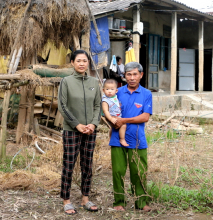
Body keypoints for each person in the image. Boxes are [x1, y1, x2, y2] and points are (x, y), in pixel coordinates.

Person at [58, 50, 101, 215]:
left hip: (90, 130)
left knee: (87, 165)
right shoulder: (66, 81)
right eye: (78, 61)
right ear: (72, 63)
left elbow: (98, 106)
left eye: (85, 61)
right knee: (69, 165)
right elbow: (63, 106)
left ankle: (85, 199)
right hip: (72, 130)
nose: (82, 63)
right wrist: (76, 124)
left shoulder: (94, 82)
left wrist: (93, 124)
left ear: (88, 63)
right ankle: (66, 200)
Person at [110, 61, 152, 212]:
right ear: (124, 76)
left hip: (137, 139)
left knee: (139, 172)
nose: (132, 77)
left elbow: (145, 117)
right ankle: (119, 202)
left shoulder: (146, 94)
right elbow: (107, 110)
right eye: (129, 74)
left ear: (141, 75)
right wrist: (112, 121)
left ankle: (141, 203)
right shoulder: (117, 92)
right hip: (117, 138)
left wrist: (124, 120)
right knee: (118, 171)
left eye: (135, 74)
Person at [102, 79, 128, 147]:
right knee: (123, 125)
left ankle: (110, 138)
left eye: (112, 89)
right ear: (103, 90)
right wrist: (110, 119)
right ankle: (122, 139)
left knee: (112, 128)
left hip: (117, 116)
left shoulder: (115, 97)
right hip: (112, 117)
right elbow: (105, 111)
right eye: (107, 89)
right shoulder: (105, 100)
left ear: (116, 91)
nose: (109, 91)